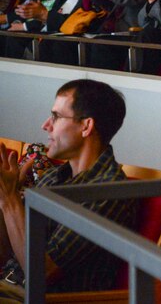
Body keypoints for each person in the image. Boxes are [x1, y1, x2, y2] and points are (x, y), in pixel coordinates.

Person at [0, 79, 134, 299]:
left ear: (86, 126)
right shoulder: (53, 177)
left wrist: (10, 201)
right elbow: (3, 254)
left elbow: (41, 273)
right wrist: (4, 196)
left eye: (56, 117)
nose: (46, 125)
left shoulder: (107, 192)